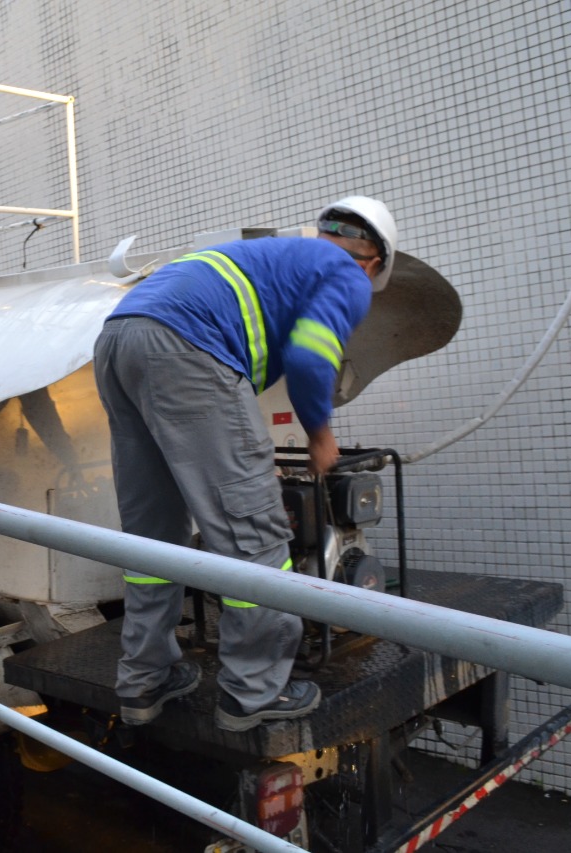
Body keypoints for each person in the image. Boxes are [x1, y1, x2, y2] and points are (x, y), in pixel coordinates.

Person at [93, 196, 397, 730]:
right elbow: (308, 356)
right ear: (373, 263)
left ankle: (144, 680)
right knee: (253, 534)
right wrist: (320, 436)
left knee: (151, 533)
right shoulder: (345, 274)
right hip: (185, 350)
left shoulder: (273, 256)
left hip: (117, 341)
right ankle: (253, 694)